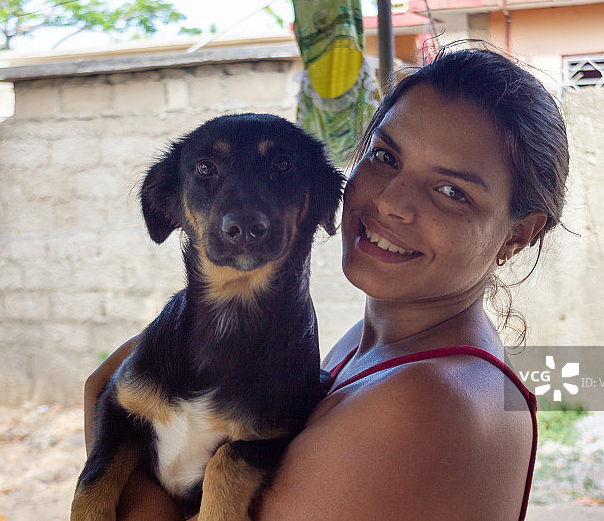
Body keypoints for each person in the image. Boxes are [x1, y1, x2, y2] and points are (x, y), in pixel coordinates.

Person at [83, 46, 569, 520]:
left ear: (517, 235)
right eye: (385, 157)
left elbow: (111, 396)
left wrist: (104, 411)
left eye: (451, 191)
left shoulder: (422, 401)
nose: (393, 201)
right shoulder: (368, 347)